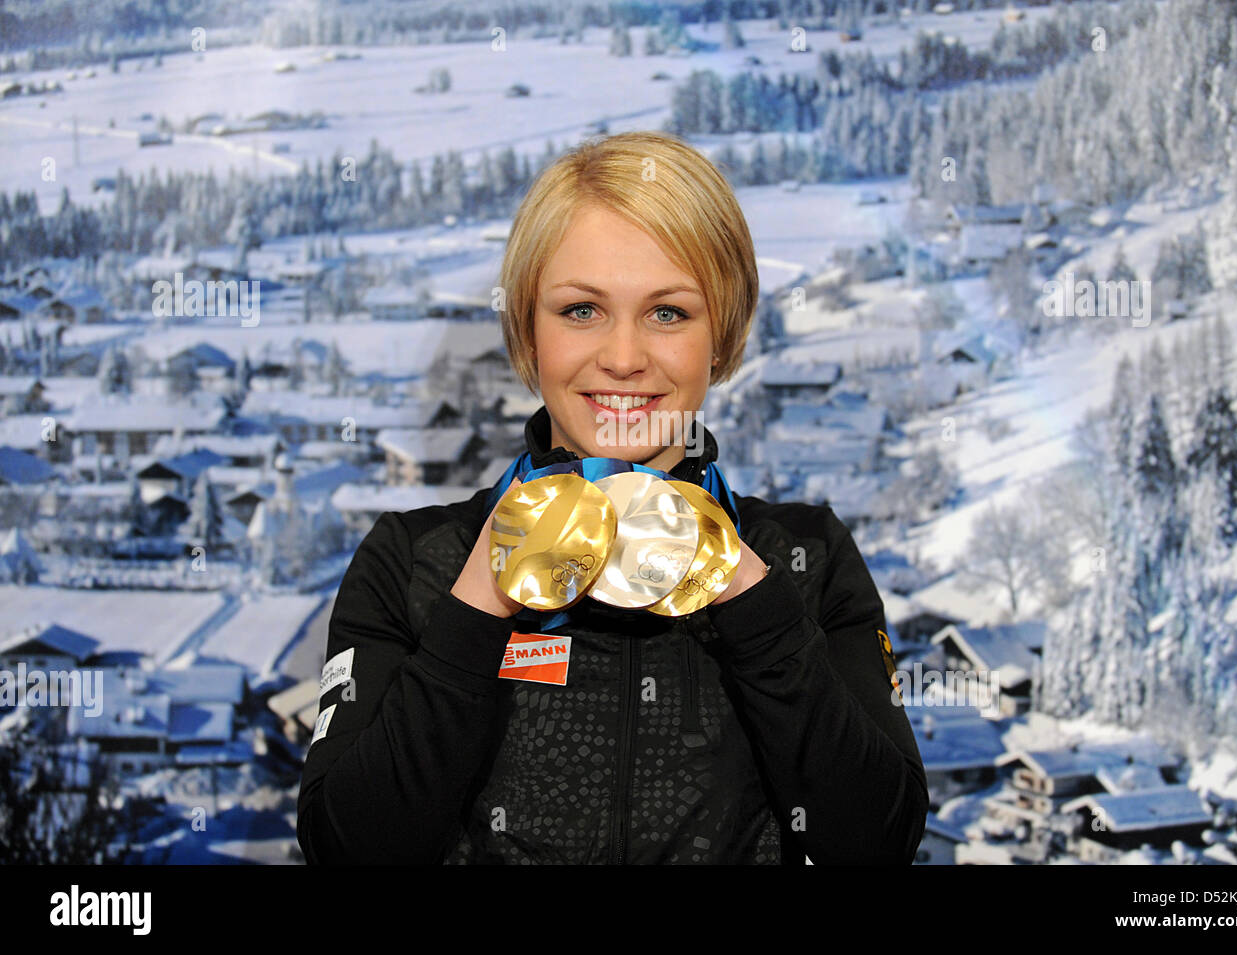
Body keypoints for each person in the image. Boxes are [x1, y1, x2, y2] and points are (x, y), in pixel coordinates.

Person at [297, 130, 928, 865]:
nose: (624, 358)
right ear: (527, 332)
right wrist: (477, 607)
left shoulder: (805, 557)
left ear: (722, 335)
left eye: (668, 312)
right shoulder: (415, 561)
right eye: (581, 310)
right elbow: (347, 848)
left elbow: (876, 841)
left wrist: (750, 595)